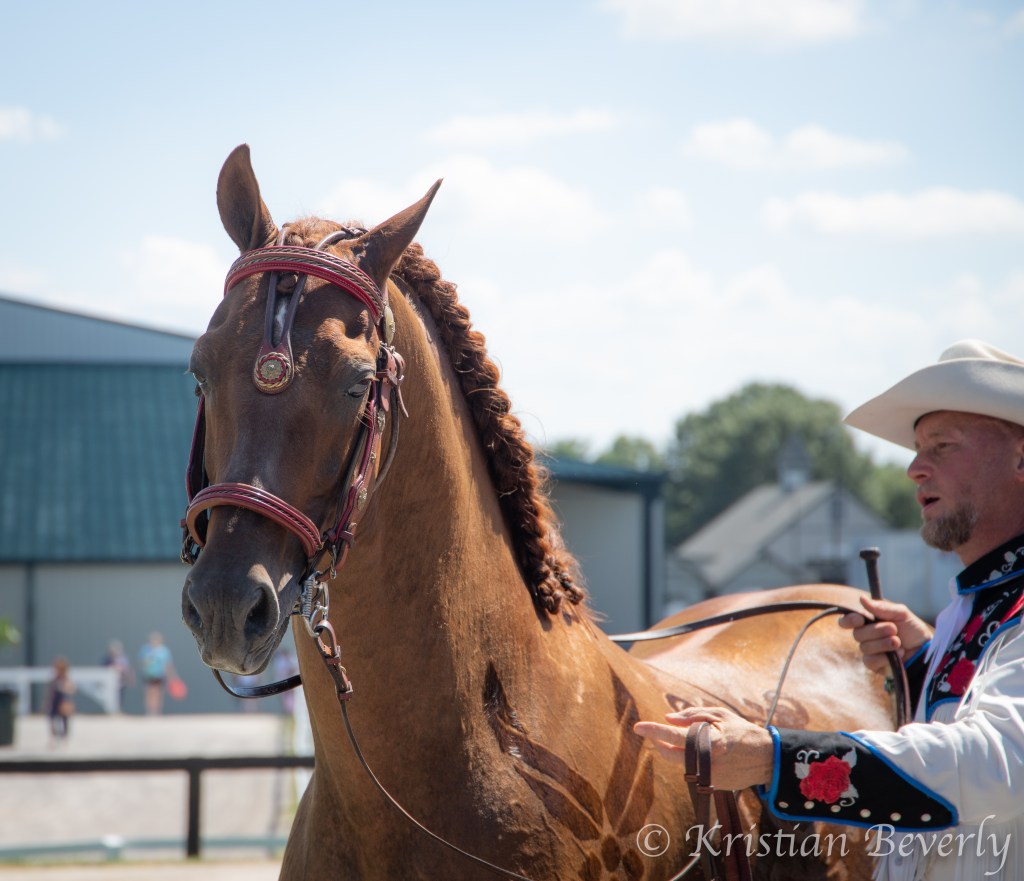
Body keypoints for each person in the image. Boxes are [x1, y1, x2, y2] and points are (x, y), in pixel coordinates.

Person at [635, 340, 1024, 880]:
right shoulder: (977, 606)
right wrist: (924, 658)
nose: (915, 468)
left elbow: (997, 766)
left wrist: (775, 759)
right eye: (917, 448)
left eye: (943, 445)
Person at [138, 632, 177, 716]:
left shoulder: (164, 651)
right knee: (149, 693)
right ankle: (149, 711)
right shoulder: (145, 649)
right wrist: (147, 661)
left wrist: (172, 676)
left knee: (159, 694)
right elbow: (141, 663)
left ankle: (157, 711)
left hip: (160, 675)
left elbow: (168, 665)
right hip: (149, 675)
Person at [45, 656, 75, 745]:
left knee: (65, 721)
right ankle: (54, 738)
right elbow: (50, 692)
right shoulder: (54, 680)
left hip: (64, 702)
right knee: (52, 720)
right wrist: (47, 703)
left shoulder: (66, 679)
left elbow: (71, 689)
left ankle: (64, 739)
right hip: (55, 702)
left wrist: (63, 687)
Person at [101, 639, 135, 712]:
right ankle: (111, 710)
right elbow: (103, 667)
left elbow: (127, 669)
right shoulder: (107, 659)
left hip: (121, 681)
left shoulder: (122, 658)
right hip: (109, 682)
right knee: (110, 696)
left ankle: (118, 709)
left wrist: (129, 678)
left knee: (120, 695)